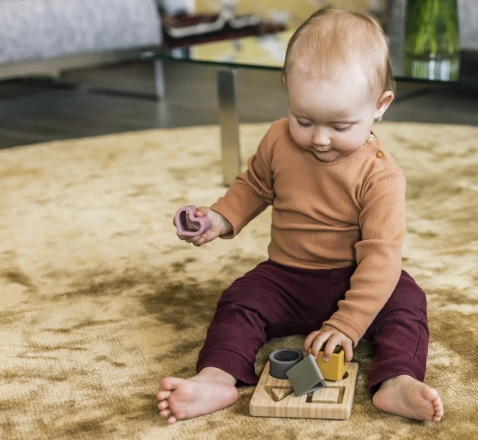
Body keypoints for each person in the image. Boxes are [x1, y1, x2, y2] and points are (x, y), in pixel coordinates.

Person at [156, 8, 444, 424]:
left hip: (356, 275)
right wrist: (217, 220)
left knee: (407, 304)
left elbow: (382, 257)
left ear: (379, 106)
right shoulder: (277, 139)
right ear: (287, 89)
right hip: (286, 276)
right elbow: (254, 186)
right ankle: (217, 377)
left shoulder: (382, 176)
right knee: (239, 300)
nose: (320, 139)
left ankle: (396, 380)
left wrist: (347, 326)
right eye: (303, 120)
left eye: (341, 125)